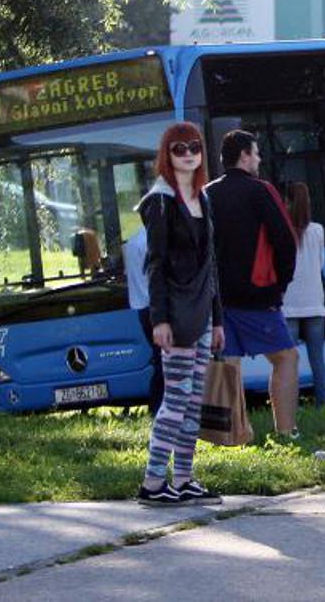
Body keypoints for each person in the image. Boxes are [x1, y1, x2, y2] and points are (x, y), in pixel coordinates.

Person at [136, 122, 225, 507]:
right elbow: (154, 265)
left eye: (194, 146)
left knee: (193, 401)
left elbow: (211, 263)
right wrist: (160, 320)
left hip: (202, 311)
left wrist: (218, 319)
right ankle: (153, 483)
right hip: (175, 312)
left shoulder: (203, 198)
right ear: (166, 155)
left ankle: (184, 478)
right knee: (176, 398)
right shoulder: (160, 201)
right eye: (179, 148)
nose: (188, 153)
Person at [205, 129, 300, 438]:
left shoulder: (206, 194)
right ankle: (286, 432)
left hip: (218, 299)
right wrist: (279, 286)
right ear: (244, 156)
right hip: (257, 294)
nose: (258, 159)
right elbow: (285, 240)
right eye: (256, 153)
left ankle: (237, 436)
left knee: (229, 364)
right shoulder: (261, 191)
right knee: (286, 357)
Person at [284, 182, 325, 407]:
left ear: (287, 202)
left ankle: (291, 407)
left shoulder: (282, 230)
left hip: (289, 305)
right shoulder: (318, 230)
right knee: (317, 360)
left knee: (289, 362)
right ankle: (323, 406)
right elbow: (321, 264)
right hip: (315, 304)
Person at [123, 225, 164, 413]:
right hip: (158, 308)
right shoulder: (153, 242)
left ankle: (157, 407)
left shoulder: (132, 243)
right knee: (165, 362)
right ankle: (158, 407)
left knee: (160, 360)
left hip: (142, 309)